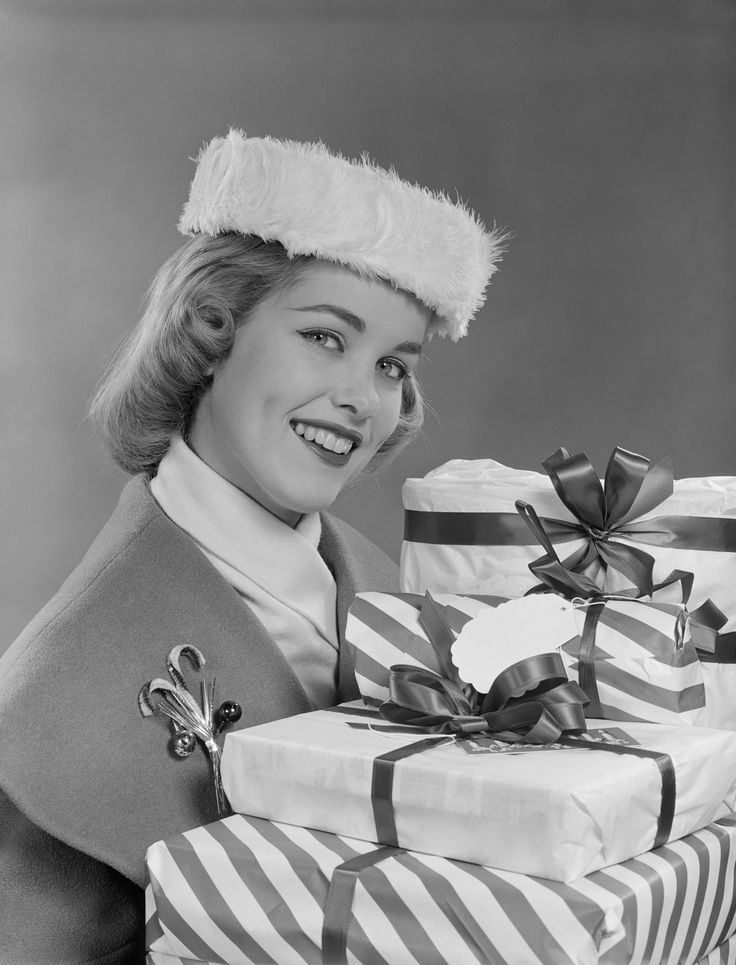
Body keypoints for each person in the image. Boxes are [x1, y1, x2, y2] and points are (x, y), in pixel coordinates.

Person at [0, 130, 505, 963]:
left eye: (391, 365)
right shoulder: (49, 705)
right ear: (211, 331)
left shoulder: (390, 594)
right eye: (325, 337)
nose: (359, 399)